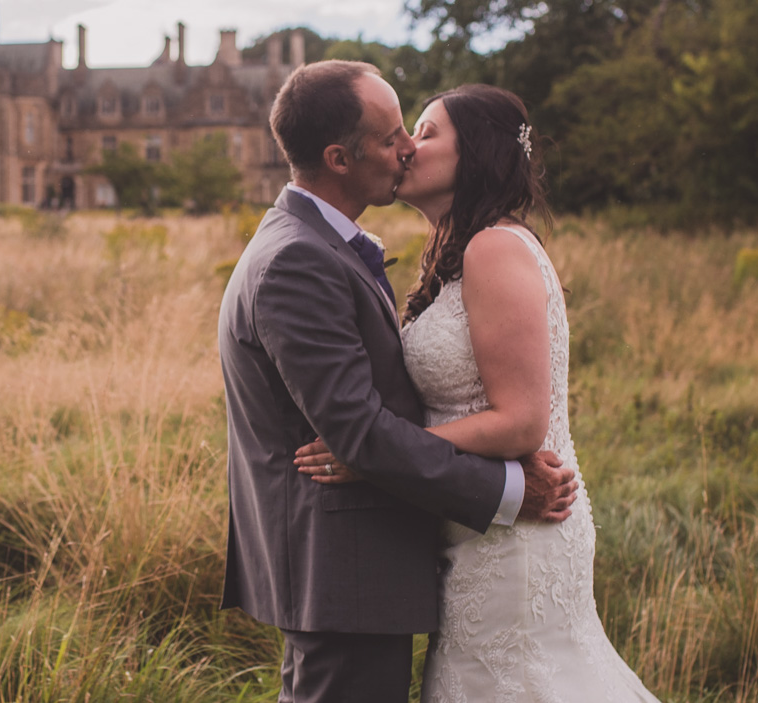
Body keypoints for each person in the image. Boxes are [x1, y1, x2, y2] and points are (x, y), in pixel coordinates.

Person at [218, 61, 579, 703]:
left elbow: (375, 430)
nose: (407, 148)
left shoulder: (329, 245)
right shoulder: (299, 258)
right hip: (342, 570)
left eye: (418, 133)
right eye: (393, 137)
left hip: (373, 568)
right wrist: (506, 489)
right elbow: (360, 434)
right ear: (339, 158)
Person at [295, 84, 661, 702]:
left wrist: (376, 454)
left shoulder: (493, 248)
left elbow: (521, 422)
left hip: (518, 537)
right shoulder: (459, 251)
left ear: (476, 153)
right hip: (478, 527)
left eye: (427, 133)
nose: (407, 146)